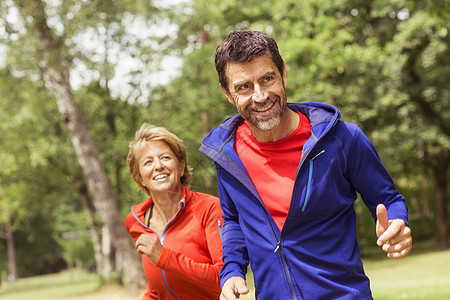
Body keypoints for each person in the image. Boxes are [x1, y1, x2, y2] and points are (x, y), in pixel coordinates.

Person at [199, 30, 412, 300]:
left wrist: (397, 223)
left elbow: (388, 199)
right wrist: (232, 270)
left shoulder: (343, 139)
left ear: (283, 74)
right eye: (244, 86)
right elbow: (233, 220)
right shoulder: (226, 154)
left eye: (267, 78)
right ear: (228, 93)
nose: (260, 95)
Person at [125, 123, 224, 300]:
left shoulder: (209, 208)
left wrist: (164, 257)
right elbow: (158, 288)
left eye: (165, 157)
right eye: (148, 161)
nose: (158, 166)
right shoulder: (136, 221)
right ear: (140, 177)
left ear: (180, 167)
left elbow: (223, 279)